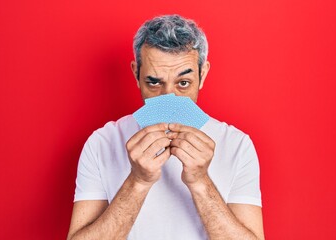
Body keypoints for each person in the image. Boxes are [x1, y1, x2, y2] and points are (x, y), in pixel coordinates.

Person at [67, 14, 264, 240]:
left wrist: (201, 181)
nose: (169, 98)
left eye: (183, 83)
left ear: (203, 74)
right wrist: (138, 181)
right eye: (154, 82)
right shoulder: (102, 142)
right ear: (135, 73)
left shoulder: (238, 145)